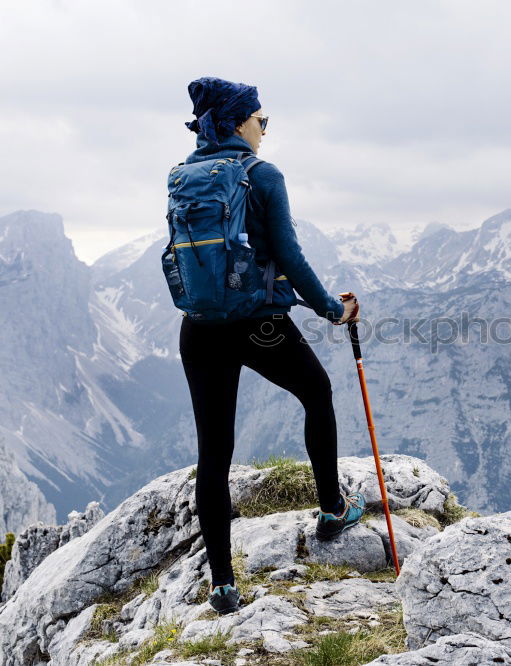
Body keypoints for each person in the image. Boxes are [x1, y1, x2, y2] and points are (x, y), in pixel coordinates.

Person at [177, 76, 364, 615]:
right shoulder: (263, 175)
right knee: (317, 390)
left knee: (213, 453)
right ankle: (331, 507)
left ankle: (222, 585)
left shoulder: (185, 175)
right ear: (239, 123)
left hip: (200, 326)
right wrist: (332, 308)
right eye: (262, 120)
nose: (265, 129)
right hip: (257, 324)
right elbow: (289, 255)